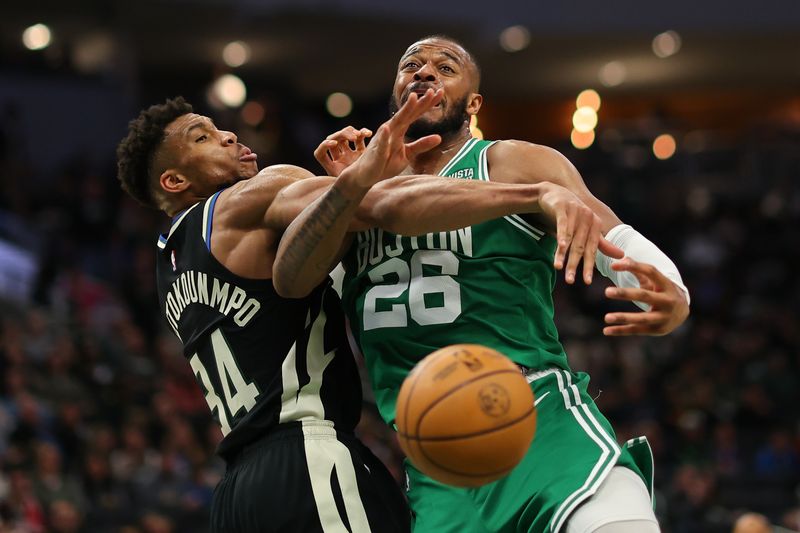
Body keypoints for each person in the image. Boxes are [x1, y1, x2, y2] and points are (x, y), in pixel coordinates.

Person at [115, 90, 614, 532]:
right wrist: (535, 195)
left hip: (237, 494)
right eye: (202, 137)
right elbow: (384, 206)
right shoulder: (252, 194)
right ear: (175, 180)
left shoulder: (170, 266)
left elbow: (299, 274)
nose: (226, 135)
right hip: (307, 458)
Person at [272, 36, 691, 533]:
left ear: (473, 104)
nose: (425, 72)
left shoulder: (513, 163)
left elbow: (607, 232)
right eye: (412, 65)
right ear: (395, 91)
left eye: (445, 68)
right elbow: (291, 278)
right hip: (434, 456)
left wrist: (670, 290)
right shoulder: (351, 190)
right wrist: (350, 188)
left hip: (535, 416)